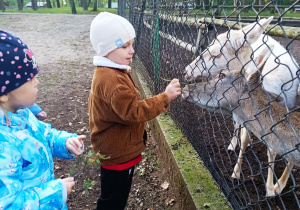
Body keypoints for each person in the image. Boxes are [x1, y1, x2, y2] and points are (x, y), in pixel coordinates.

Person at [88, 12, 182, 210]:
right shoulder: (112, 80)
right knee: (113, 201)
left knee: (114, 195)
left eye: (132, 44)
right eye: (124, 46)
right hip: (117, 153)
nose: (131, 50)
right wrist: (165, 97)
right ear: (106, 49)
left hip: (116, 149)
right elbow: (134, 112)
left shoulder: (113, 71)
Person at [0, 30, 85, 209]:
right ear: (4, 93)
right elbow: (8, 204)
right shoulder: (3, 146)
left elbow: (45, 135)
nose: (37, 82)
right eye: (30, 79)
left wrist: (65, 142)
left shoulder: (22, 113)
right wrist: (55, 192)